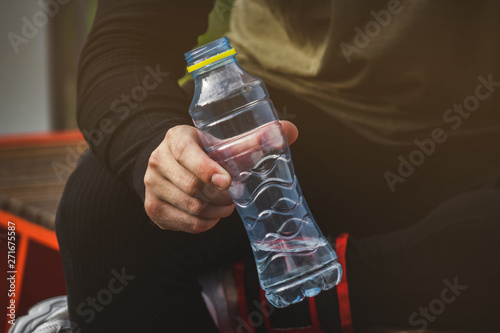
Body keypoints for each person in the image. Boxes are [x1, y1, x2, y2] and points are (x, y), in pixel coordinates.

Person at [56, 0, 500, 332]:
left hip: (478, 132)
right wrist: (156, 149)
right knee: (102, 210)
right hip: (283, 121)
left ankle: (244, 303)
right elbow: (128, 41)